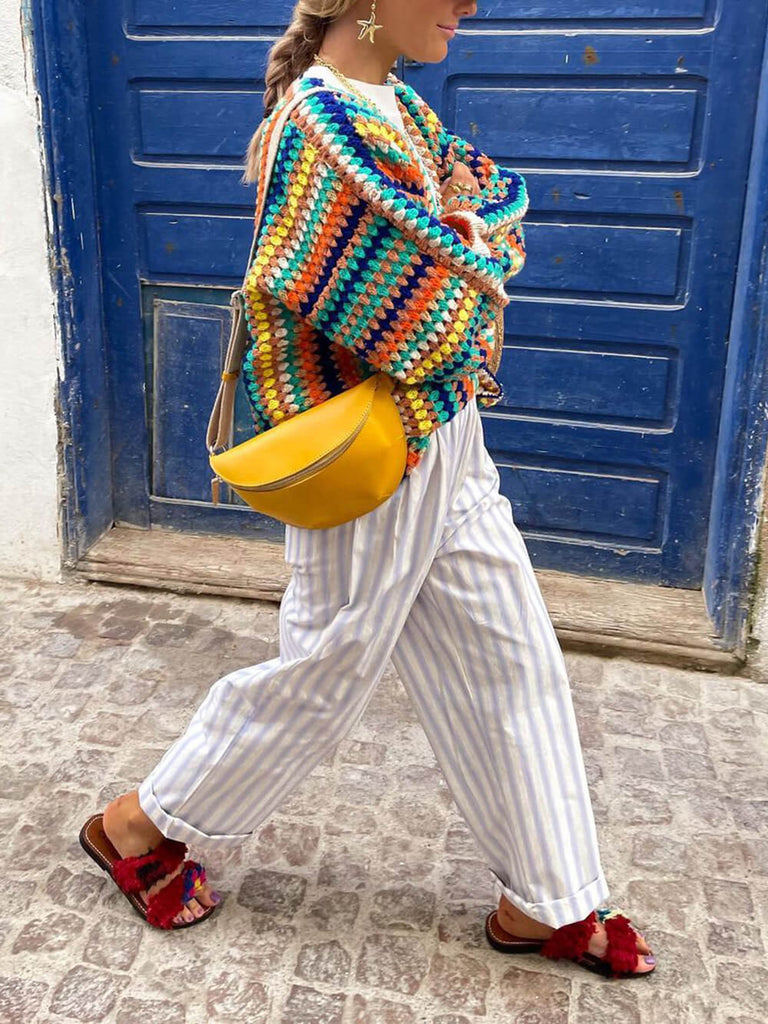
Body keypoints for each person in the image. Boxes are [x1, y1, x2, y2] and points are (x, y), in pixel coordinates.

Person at [80, 0, 657, 978]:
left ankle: (546, 895)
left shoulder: (394, 105)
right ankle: (137, 824)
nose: (471, 4)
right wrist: (471, 248)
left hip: (448, 438)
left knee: (513, 655)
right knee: (325, 673)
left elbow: (502, 206)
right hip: (374, 451)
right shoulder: (323, 126)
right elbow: (427, 317)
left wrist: (466, 243)